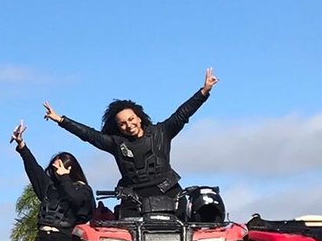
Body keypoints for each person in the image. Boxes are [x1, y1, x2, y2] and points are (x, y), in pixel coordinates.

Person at [43, 68, 218, 217]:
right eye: (122, 124)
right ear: (118, 127)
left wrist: (204, 91)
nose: (129, 125)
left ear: (139, 118)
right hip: (133, 202)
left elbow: (182, 114)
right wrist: (61, 120)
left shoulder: (161, 132)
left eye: (131, 119)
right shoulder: (117, 143)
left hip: (169, 194)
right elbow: (89, 135)